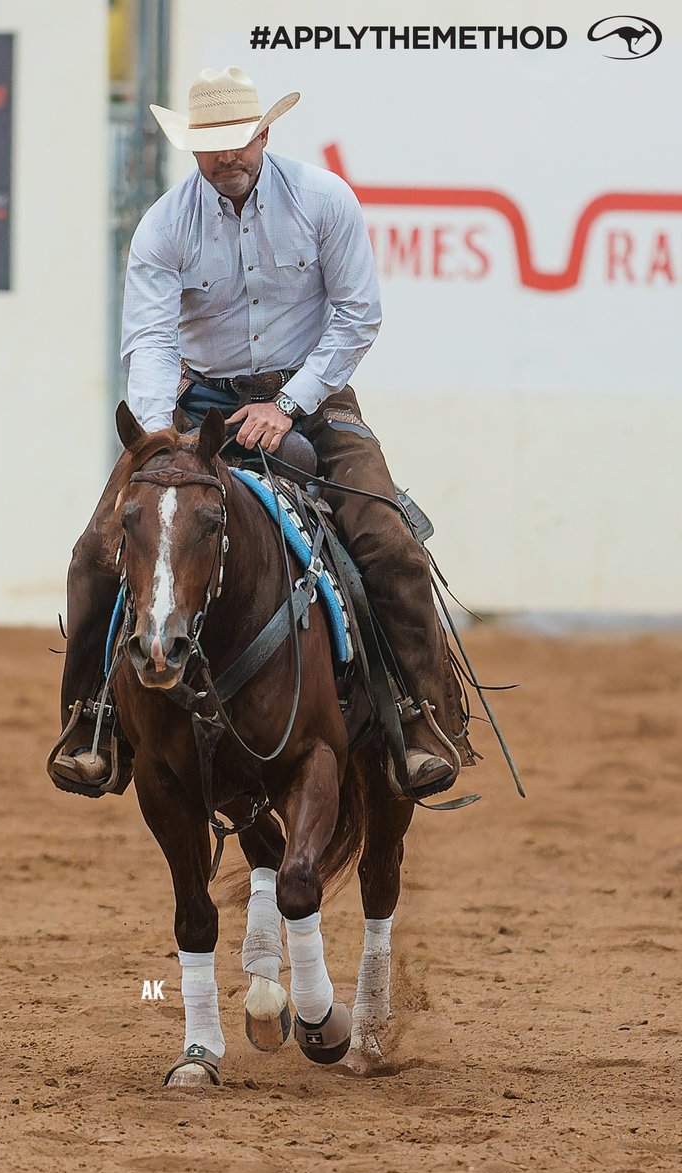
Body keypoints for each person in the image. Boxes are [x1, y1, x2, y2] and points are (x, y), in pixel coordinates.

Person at [49, 66, 474, 796]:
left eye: (240, 138)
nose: (228, 155)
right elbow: (149, 340)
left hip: (314, 398)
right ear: (192, 148)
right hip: (195, 408)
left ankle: (419, 720)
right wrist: (159, 437)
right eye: (212, 144)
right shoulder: (163, 227)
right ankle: (91, 724)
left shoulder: (323, 201)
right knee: (98, 551)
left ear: (266, 133)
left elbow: (357, 315)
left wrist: (289, 404)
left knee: (387, 541)